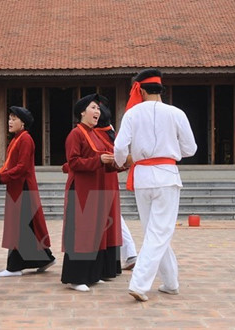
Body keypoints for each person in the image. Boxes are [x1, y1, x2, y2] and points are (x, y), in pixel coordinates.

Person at [114, 68, 197, 302]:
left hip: (142, 177)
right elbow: (191, 149)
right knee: (159, 232)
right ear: (160, 89)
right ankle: (139, 283)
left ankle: (171, 283)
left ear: (140, 89)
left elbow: (120, 148)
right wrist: (169, 152)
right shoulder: (176, 113)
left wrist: (121, 163)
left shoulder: (131, 114)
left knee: (155, 231)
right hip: (167, 175)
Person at [60, 94, 121, 292]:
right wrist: (98, 161)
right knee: (81, 233)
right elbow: (74, 162)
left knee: (95, 232)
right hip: (81, 190)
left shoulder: (96, 134)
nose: (97, 112)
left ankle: (93, 274)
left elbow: (105, 163)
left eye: (98, 109)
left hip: (96, 190)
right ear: (82, 112)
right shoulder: (75, 134)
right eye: (93, 108)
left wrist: (121, 165)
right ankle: (76, 278)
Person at [0, 106, 56, 277]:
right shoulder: (17, 139)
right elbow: (11, 165)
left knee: (20, 227)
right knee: (27, 227)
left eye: (14, 119)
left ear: (23, 123)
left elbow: (22, 167)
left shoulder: (25, 139)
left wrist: (1, 177)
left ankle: (14, 267)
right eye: (9, 118)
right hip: (17, 187)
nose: (10, 122)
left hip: (23, 188)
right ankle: (44, 258)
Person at [96, 101, 138, 271]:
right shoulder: (110, 131)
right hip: (110, 179)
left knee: (112, 219)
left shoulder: (98, 134)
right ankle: (129, 254)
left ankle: (126, 254)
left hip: (102, 179)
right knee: (115, 217)